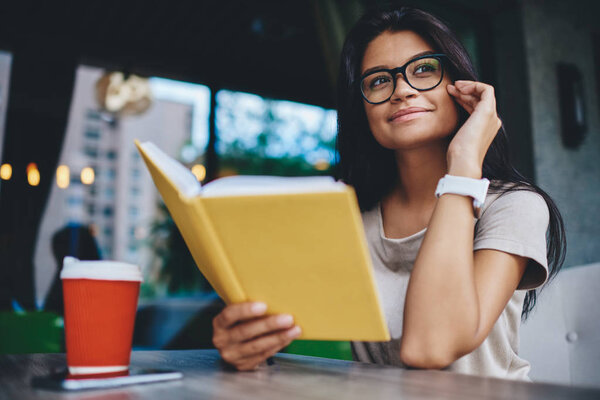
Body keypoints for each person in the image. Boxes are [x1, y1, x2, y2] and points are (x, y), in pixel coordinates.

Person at [211, 6, 565, 379]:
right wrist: (246, 346)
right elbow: (289, 336)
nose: (402, 90)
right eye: (379, 81)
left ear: (461, 87)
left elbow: (429, 347)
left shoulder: (514, 205)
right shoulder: (345, 218)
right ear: (361, 109)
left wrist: (463, 163)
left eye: (424, 69)